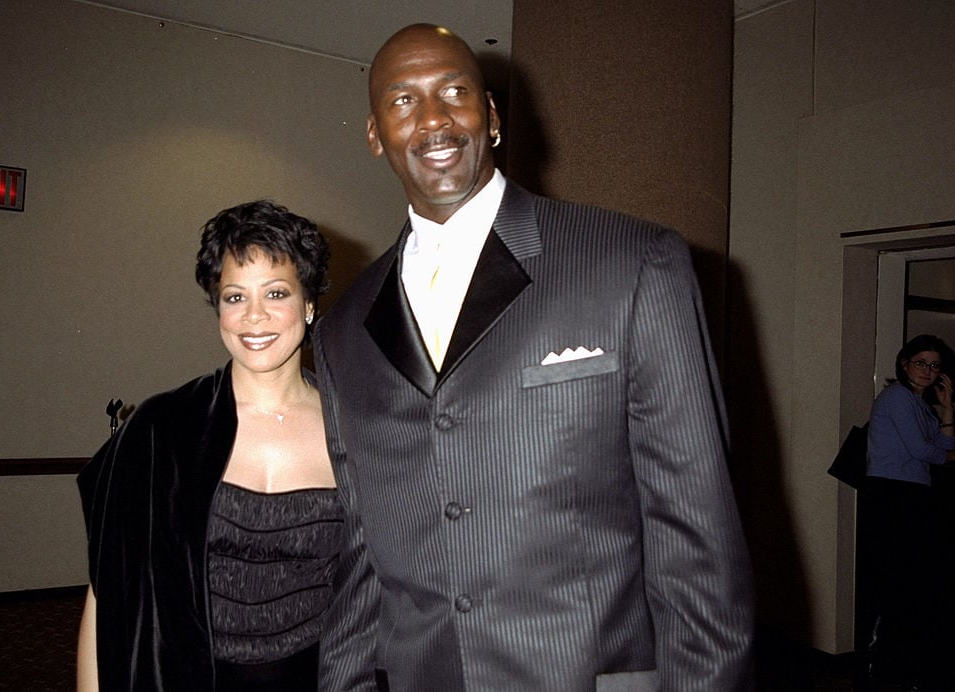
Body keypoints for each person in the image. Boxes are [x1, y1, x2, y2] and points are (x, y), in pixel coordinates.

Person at [313, 23, 754, 691]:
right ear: (375, 134)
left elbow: (700, 545)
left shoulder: (631, 264)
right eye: (402, 101)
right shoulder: (343, 327)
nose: (433, 118)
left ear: (490, 116)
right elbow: (363, 553)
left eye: (454, 91)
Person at [76, 200, 341, 690]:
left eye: (276, 292)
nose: (254, 317)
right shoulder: (162, 429)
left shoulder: (354, 428)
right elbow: (109, 591)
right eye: (235, 297)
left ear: (309, 303)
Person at [862, 334, 955, 687]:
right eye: (920, 362)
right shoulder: (897, 396)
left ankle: (898, 666)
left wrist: (947, 410)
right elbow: (925, 451)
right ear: (904, 364)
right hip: (892, 494)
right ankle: (879, 668)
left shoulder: (920, 404)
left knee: (911, 583)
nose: (927, 371)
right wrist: (948, 454)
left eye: (934, 365)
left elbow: (943, 445)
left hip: (911, 495)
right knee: (898, 582)